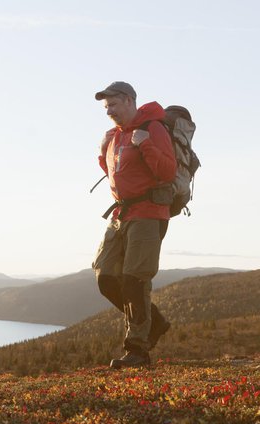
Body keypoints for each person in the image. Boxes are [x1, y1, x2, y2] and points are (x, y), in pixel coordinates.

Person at [92, 82, 177, 369]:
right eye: (106, 108)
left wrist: (146, 143)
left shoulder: (152, 128)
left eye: (113, 105)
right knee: (105, 276)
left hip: (148, 213)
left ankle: (138, 349)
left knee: (135, 280)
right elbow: (116, 173)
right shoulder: (116, 136)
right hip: (121, 215)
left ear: (129, 100)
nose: (109, 112)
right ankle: (155, 323)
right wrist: (103, 151)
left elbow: (167, 171)